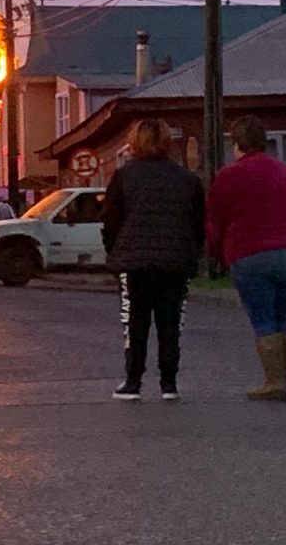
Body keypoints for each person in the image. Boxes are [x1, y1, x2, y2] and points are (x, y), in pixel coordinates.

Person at [102, 118, 205, 401]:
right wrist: (190, 252)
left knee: (135, 322)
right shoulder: (186, 179)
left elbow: (111, 220)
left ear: (134, 142)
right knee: (170, 323)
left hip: (134, 262)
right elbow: (197, 222)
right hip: (174, 262)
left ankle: (133, 381)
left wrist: (115, 251)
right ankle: (169, 383)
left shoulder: (124, 177)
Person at [207, 116, 286, 402]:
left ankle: (275, 382)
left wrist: (216, 255)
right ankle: (281, 377)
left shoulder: (229, 175)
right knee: (279, 315)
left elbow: (216, 222)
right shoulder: (283, 170)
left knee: (263, 318)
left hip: (252, 254)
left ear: (236, 143)